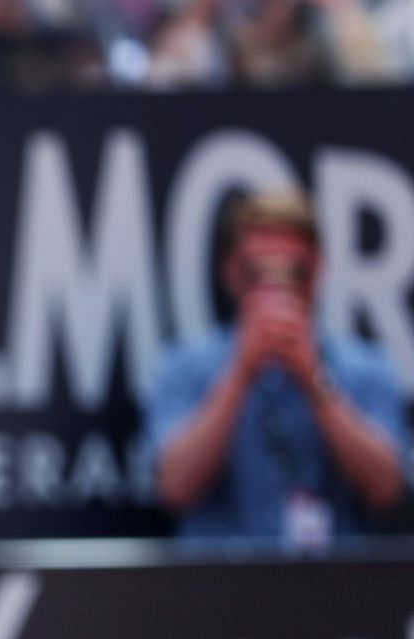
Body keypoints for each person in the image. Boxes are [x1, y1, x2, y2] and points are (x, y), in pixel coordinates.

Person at [147, 188, 409, 547]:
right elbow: (173, 487)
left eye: (293, 271)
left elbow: (387, 490)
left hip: (336, 593)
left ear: (317, 268)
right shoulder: (184, 365)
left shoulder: (366, 368)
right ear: (231, 273)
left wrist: (313, 377)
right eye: (258, 273)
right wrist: (240, 371)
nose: (275, 288)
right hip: (215, 594)